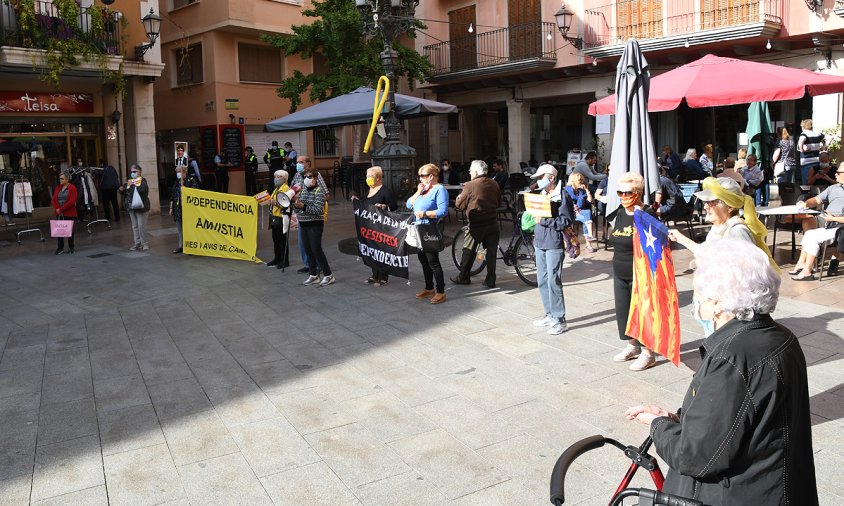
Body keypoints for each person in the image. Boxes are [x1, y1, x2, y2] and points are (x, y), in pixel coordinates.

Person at [625, 238, 818, 505]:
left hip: (739, 494)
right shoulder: (781, 336)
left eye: (699, 294)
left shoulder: (732, 356)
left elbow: (695, 456)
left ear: (717, 303)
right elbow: (741, 416)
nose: (696, 301)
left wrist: (658, 426)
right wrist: (677, 419)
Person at [610, 173, 659, 371]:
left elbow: (658, 244)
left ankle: (649, 352)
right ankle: (632, 345)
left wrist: (642, 218)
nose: (622, 196)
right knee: (624, 312)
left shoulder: (647, 214)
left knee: (643, 313)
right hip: (620, 271)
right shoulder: (620, 213)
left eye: (627, 192)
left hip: (641, 275)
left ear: (638, 193)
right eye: (619, 192)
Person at [530, 164, 574, 335]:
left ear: (551, 178)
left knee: (553, 281)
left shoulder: (562, 195)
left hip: (554, 242)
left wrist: (544, 221)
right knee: (542, 280)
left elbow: (566, 221)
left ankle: (560, 319)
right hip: (540, 241)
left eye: (541, 177)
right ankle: (550, 314)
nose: (538, 181)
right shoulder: (542, 194)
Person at [452, 160, 502, 287]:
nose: (469, 172)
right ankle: (490, 280)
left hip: (476, 225)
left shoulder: (470, 185)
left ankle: (463, 277)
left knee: (468, 251)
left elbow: (460, 205)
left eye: (470, 170)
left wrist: (458, 200)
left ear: (475, 171)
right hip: (492, 223)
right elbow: (499, 201)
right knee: (491, 253)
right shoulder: (494, 183)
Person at [788, 168, 844, 280]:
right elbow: (817, 200)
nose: (835, 175)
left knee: (813, 236)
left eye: (838, 173)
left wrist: (833, 218)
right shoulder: (833, 188)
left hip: (838, 223)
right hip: (827, 218)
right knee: (807, 223)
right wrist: (805, 204)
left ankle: (807, 269)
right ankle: (802, 263)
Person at [407, 163, 449, 304]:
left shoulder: (439, 190)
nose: (420, 179)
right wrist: (418, 192)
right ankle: (429, 288)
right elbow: (408, 204)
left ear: (431, 176)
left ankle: (441, 291)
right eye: (420, 176)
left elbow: (443, 211)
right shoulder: (423, 190)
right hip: (418, 230)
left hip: (429, 230)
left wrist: (424, 214)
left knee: (433, 261)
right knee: (423, 260)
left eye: (423, 176)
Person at [352, 166, 397, 286]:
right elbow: (367, 203)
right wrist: (358, 201)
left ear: (377, 177)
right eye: (367, 176)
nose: (367, 179)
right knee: (372, 250)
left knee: (381, 251)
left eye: (369, 176)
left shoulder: (385, 191)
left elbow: (394, 206)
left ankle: (383, 277)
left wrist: (384, 207)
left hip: (382, 227)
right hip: (370, 226)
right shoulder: (370, 189)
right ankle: (374, 275)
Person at [294, 166, 334, 286]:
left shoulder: (319, 191)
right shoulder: (303, 191)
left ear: (315, 178)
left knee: (316, 249)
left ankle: (328, 274)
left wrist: (303, 207)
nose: (306, 179)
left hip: (315, 225)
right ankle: (313, 274)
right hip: (303, 223)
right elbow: (298, 210)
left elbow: (318, 210)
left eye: (309, 177)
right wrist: (296, 206)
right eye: (305, 177)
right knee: (308, 250)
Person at [291, 155, 328, 274]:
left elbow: (325, 193)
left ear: (308, 163)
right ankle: (308, 265)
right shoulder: (297, 175)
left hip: (313, 216)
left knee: (314, 244)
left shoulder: (315, 175)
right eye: (297, 162)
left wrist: (310, 203)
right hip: (301, 215)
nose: (298, 164)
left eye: (301, 162)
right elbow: (292, 189)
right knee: (303, 242)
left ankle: (319, 266)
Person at [170, 164, 200, 254]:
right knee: (180, 229)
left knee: (189, 228)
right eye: (177, 172)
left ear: (185, 172)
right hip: (177, 209)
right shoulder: (176, 182)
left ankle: (191, 246)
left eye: (179, 171)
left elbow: (196, 193)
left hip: (188, 209)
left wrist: (186, 189)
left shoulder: (191, 180)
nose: (178, 173)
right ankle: (181, 246)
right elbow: (173, 195)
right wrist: (171, 207)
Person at [266, 170, 292, 269]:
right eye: (275, 176)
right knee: (275, 240)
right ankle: (277, 258)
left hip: (281, 217)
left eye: (278, 177)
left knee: (282, 240)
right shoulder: (277, 189)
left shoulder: (285, 189)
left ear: (284, 179)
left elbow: (286, 204)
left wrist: (274, 202)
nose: (275, 179)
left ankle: (285, 260)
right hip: (274, 217)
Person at [564, 172, 596, 253]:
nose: (581, 182)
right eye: (579, 180)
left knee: (587, 215)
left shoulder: (581, 190)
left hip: (580, 212)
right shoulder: (567, 190)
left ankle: (589, 237)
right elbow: (578, 204)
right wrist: (582, 197)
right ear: (573, 180)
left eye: (582, 180)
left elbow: (589, 201)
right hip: (571, 213)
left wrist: (586, 190)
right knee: (587, 215)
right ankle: (589, 243)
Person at [122, 163, 150, 251]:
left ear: (139, 172)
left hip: (141, 208)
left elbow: (142, 190)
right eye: (131, 172)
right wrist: (123, 188)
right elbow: (124, 192)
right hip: (131, 207)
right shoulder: (129, 181)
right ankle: (137, 243)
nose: (132, 173)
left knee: (141, 226)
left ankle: (144, 243)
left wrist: (131, 185)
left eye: (135, 171)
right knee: (135, 226)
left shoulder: (143, 181)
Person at [52, 171, 77, 254]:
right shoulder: (58, 188)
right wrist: (57, 209)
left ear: (67, 179)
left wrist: (61, 209)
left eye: (62, 178)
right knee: (60, 231)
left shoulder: (72, 188)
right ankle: (60, 248)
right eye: (60, 178)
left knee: (70, 231)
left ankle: (71, 247)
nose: (60, 180)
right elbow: (54, 199)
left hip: (68, 212)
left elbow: (72, 201)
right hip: (59, 212)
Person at [798, 118, 826, 185]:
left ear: (803, 126)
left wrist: (801, 149)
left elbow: (801, 140)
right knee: (815, 181)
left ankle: (807, 194)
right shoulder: (817, 133)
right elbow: (830, 137)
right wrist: (824, 148)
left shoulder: (804, 134)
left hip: (806, 162)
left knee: (807, 182)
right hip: (816, 162)